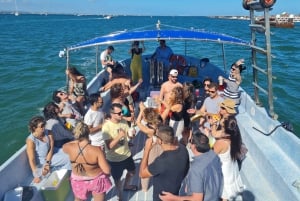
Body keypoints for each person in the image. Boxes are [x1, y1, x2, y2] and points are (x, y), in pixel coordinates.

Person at [159, 131, 223, 201]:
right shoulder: (213, 154)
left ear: (194, 147)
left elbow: (197, 199)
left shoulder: (195, 169)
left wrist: (173, 198)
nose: (189, 143)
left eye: (190, 141)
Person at [63, 121, 111, 201]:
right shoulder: (96, 150)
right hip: (96, 180)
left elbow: (64, 146)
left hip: (78, 181)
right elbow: (107, 170)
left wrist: (77, 141)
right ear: (88, 133)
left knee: (78, 199)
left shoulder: (68, 147)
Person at [139, 125, 190, 201]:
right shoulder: (183, 149)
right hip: (175, 194)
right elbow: (186, 168)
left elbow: (142, 174)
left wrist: (146, 150)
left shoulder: (161, 161)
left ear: (160, 141)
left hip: (161, 197)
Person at [102, 103, 137, 201]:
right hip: (114, 159)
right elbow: (109, 147)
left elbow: (126, 136)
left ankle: (126, 185)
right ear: (112, 114)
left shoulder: (123, 122)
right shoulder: (106, 127)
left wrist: (131, 136)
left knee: (132, 172)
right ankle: (119, 194)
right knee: (117, 180)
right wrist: (119, 136)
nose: (121, 114)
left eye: (122, 112)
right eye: (119, 113)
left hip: (126, 154)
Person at [26, 116, 71, 183]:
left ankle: (54, 169)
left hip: (52, 152)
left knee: (71, 152)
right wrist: (36, 175)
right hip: (43, 159)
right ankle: (65, 176)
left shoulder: (48, 132)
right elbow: (31, 159)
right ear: (34, 128)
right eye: (41, 126)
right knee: (69, 158)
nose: (44, 127)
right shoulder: (31, 141)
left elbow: (51, 148)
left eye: (44, 124)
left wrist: (47, 163)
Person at [212, 116, 244, 201]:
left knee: (224, 196)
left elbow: (210, 157)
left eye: (221, 126)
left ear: (225, 129)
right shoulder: (235, 136)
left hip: (224, 172)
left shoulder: (221, 143)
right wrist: (213, 125)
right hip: (232, 168)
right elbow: (216, 134)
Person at [136, 102, 164, 191]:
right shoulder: (160, 122)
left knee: (146, 168)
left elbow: (138, 122)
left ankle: (144, 188)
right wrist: (145, 109)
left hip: (151, 149)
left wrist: (141, 111)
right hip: (160, 147)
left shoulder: (149, 130)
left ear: (147, 119)